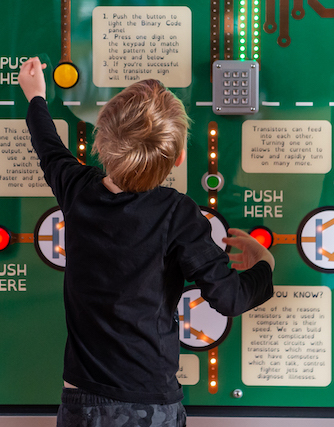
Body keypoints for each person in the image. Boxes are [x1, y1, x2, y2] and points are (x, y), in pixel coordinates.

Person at [19, 58, 275, 427]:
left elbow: (49, 148)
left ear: (100, 144)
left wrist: (36, 97)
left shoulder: (77, 190)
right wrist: (264, 265)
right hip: (151, 404)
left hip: (81, 399)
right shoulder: (177, 213)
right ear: (178, 159)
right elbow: (228, 297)